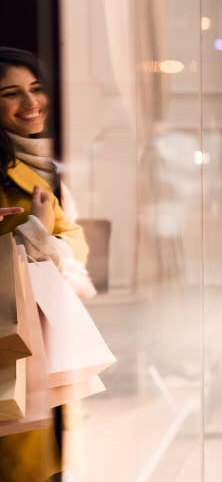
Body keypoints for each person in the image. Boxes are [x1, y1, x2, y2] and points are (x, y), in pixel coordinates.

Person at [0, 46, 93, 481]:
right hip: (12, 345)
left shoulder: (43, 164)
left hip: (43, 341)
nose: (30, 103)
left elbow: (74, 238)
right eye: (11, 93)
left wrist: (48, 239)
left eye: (36, 89)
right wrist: (38, 234)